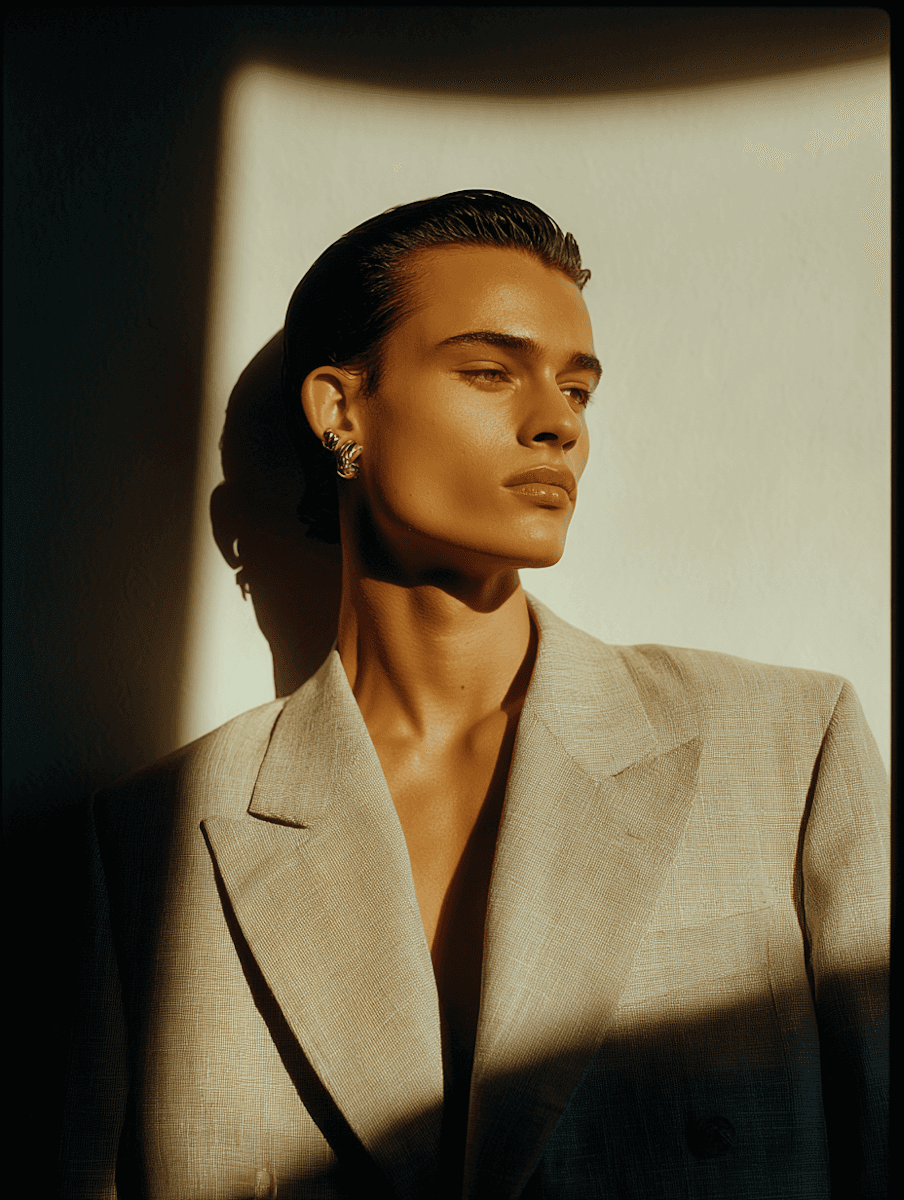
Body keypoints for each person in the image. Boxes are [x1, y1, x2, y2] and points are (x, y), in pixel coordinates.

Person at [60, 191, 888, 1200]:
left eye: (577, 391)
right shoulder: (156, 840)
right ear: (339, 411)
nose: (556, 426)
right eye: (490, 371)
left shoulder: (785, 753)